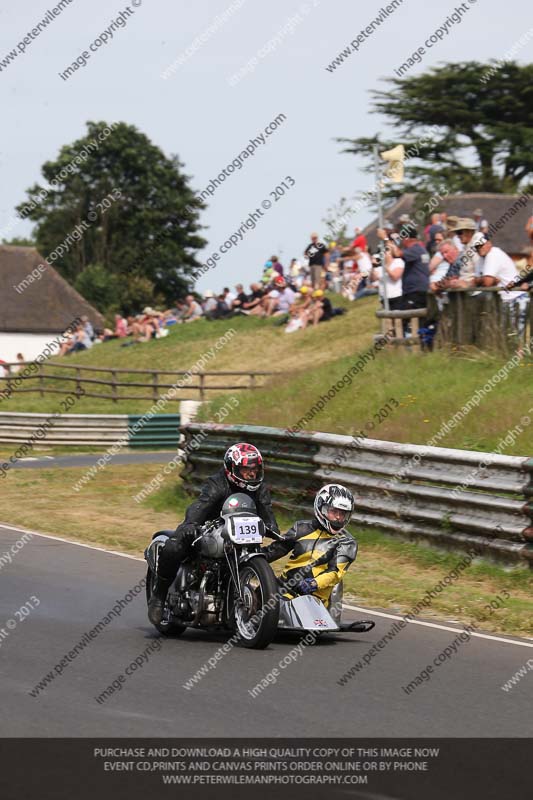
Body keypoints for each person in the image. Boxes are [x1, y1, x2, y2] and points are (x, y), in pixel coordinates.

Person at [148, 443, 280, 625]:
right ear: (232, 469)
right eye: (246, 470)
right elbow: (200, 505)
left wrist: (274, 531)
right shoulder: (218, 483)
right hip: (208, 529)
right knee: (175, 545)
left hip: (239, 535)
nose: (252, 474)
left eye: (256, 469)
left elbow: (268, 516)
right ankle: (159, 597)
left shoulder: (260, 488)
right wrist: (192, 524)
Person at [261, 484, 357, 606]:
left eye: (343, 514)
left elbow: (335, 573)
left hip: (314, 600)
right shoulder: (301, 528)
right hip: (282, 590)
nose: (338, 518)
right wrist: (252, 557)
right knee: (258, 592)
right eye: (334, 511)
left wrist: (313, 583)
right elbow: (275, 550)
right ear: (321, 507)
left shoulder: (347, 542)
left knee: (275, 610)